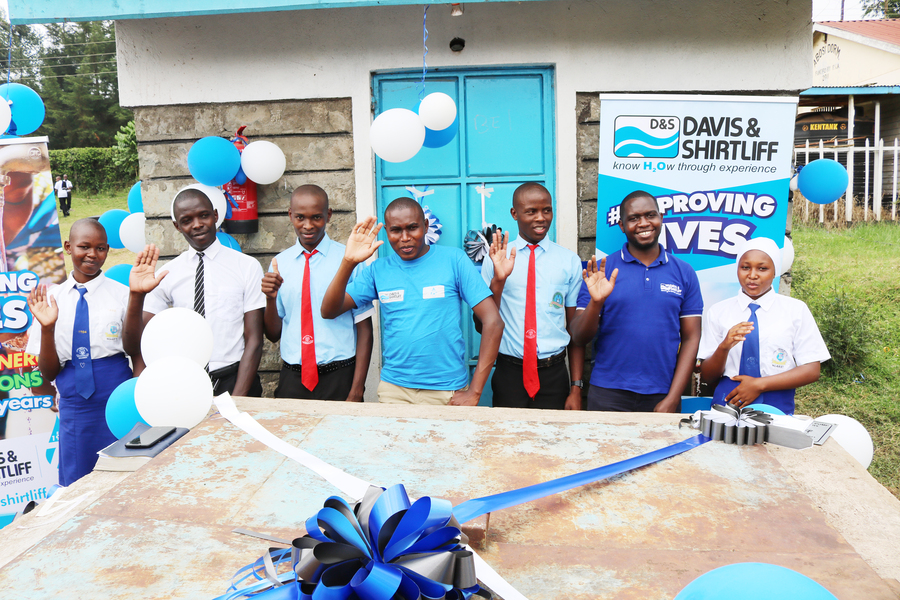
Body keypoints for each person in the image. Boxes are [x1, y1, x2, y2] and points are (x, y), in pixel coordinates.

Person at [321, 198, 504, 406]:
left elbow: (493, 322)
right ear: (386, 231)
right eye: (396, 230)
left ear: (425, 226)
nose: (405, 238)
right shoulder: (378, 270)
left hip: (446, 391)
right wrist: (349, 262)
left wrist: (475, 391)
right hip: (394, 390)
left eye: (412, 228)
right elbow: (329, 310)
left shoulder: (454, 260)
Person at [25, 219, 137, 485]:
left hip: (116, 393)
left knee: (122, 472)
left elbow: (135, 349)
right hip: (75, 399)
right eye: (84, 247)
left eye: (100, 248)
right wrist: (48, 328)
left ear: (107, 250)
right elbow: (49, 372)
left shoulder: (122, 295)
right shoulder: (51, 299)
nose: (92, 254)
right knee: (78, 474)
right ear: (68, 247)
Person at [123, 188, 266, 396]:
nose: (197, 224)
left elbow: (254, 340)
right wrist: (136, 295)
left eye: (204, 215)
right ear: (177, 226)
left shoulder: (246, 266)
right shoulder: (167, 274)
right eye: (187, 220)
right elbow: (134, 345)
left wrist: (237, 400)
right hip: (187, 384)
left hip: (236, 380)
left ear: (215, 216)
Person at [570, 190, 702, 412]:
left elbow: (691, 338)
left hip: (663, 393)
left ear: (661, 218)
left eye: (650, 215)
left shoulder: (684, 272)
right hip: (608, 392)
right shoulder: (601, 271)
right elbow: (578, 336)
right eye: (634, 218)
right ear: (622, 226)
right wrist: (596, 302)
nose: (643, 223)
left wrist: (673, 397)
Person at [262, 185, 374, 400]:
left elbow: (364, 329)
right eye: (300, 217)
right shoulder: (279, 264)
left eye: (316, 217)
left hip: (340, 374)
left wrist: (357, 388)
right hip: (293, 377)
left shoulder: (350, 259)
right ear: (290, 215)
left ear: (328, 215)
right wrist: (270, 299)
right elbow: (273, 334)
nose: (308, 225)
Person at [477, 182, 584, 410]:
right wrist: (499, 280)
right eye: (531, 211)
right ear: (514, 213)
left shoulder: (569, 261)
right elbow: (481, 325)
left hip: (554, 374)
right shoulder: (496, 259)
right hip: (509, 374)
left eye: (547, 210)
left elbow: (575, 331)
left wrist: (576, 387)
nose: (541, 218)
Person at [698, 237, 829, 415]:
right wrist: (724, 347)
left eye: (762, 268)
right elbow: (708, 376)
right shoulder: (718, 311)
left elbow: (812, 370)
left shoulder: (796, 310)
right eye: (745, 267)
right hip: (728, 399)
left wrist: (759, 385)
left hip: (776, 400)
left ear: (775, 272)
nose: (752, 275)